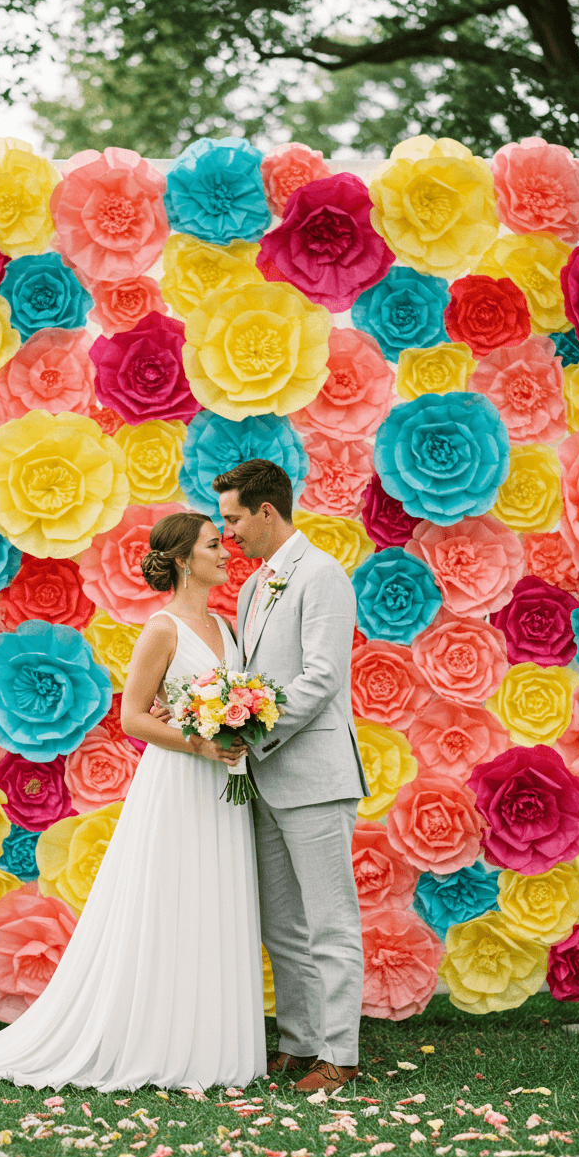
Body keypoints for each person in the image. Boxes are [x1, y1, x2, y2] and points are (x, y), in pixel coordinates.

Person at [0, 511, 266, 1092]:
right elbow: (133, 716)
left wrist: (236, 727)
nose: (226, 552)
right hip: (181, 780)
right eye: (215, 545)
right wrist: (198, 741)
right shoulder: (163, 629)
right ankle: (158, 1040)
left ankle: (211, 1041)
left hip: (224, 784)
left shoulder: (226, 628)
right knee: (172, 899)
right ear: (184, 559)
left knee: (216, 895)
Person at [213, 458, 369, 1096]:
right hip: (264, 778)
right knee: (282, 924)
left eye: (234, 519)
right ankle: (302, 1045)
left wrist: (252, 731)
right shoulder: (253, 588)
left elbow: (322, 677)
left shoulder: (322, 575)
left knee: (330, 919)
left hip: (315, 777)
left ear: (267, 511)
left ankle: (342, 1055)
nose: (229, 535)